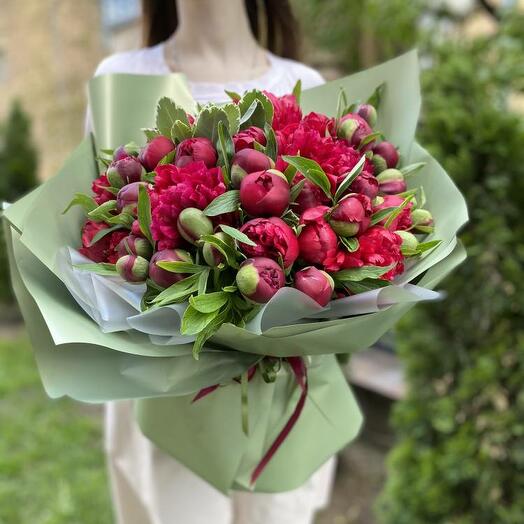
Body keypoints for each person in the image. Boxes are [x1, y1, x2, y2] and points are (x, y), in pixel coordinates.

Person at [87, 1, 335, 523]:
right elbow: (93, 245)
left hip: (280, 393)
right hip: (163, 396)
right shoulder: (119, 79)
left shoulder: (303, 83)